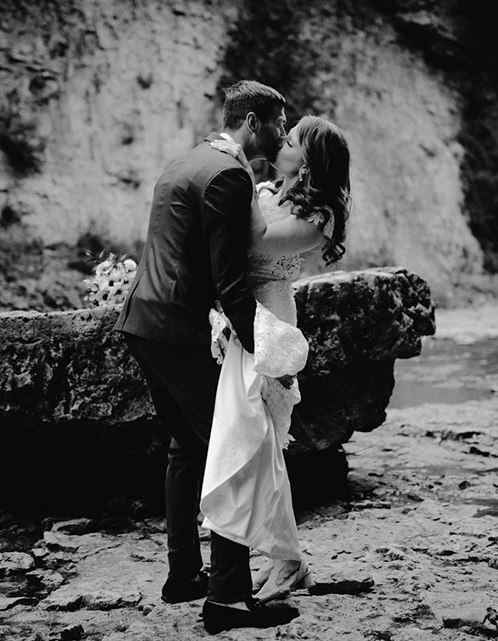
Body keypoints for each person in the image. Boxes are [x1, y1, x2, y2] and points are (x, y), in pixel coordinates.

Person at [114, 80, 300, 633]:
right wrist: (262, 352)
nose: (283, 133)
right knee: (233, 449)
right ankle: (227, 599)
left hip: (142, 323)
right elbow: (230, 280)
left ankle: (183, 574)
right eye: (277, 122)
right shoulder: (229, 174)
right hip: (177, 331)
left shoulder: (188, 160)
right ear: (250, 120)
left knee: (186, 448)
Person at [200, 115, 351, 603]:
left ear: (307, 160)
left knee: (262, 446)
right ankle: (286, 559)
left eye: (289, 139)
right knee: (256, 446)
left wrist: (238, 175)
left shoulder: (319, 214)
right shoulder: (268, 189)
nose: (279, 142)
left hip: (270, 328)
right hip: (237, 319)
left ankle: (286, 560)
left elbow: (258, 241)